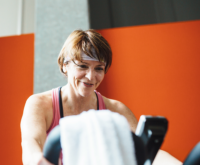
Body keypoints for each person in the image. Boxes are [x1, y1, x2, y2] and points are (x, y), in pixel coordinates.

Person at [20, 29, 182, 165]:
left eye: (99, 68)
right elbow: (31, 142)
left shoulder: (116, 110)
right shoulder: (40, 104)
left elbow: (148, 152)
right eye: (83, 66)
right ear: (65, 65)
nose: (91, 77)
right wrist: (37, 160)